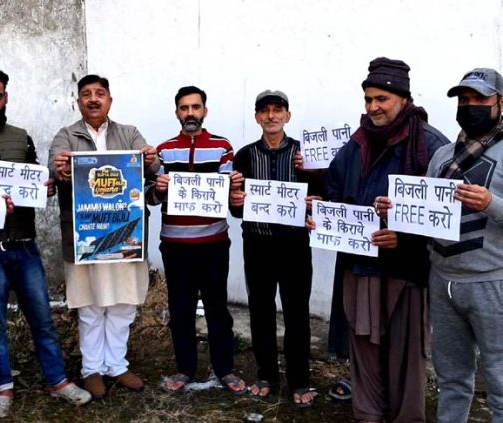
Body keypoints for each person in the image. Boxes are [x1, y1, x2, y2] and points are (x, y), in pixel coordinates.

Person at [0, 66, 90, 417]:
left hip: (25, 244)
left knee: (42, 318)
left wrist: (47, 187)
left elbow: (37, 177)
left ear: (6, 97)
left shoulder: (21, 137)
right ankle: (2, 389)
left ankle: (58, 381)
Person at [321, 58, 449, 422]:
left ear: (403, 99)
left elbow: (441, 215)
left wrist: (404, 237)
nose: (373, 107)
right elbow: (334, 187)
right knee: (362, 348)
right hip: (359, 266)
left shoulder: (430, 146)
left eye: (382, 99)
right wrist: (322, 208)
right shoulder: (356, 143)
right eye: (368, 99)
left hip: (404, 271)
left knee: (405, 355)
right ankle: (368, 415)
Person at [49, 74, 159, 399]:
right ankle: (92, 369)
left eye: (100, 93)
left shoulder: (129, 133)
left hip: (127, 237)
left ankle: (117, 365)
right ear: (78, 101)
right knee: (91, 306)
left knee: (124, 304)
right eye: (86, 94)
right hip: (87, 238)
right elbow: (57, 170)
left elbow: (151, 170)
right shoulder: (67, 135)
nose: (93, 99)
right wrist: (61, 169)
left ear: (110, 100)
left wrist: (151, 161)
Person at [146, 86, 246, 394]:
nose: (190, 113)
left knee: (217, 308)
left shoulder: (222, 148)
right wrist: (158, 189)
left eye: (196, 107)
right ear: (177, 112)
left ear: (205, 110)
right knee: (181, 309)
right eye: (184, 108)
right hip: (175, 245)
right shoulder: (162, 151)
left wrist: (236, 189)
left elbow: (232, 201)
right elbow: (150, 196)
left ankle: (225, 369)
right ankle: (185, 368)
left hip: (214, 244)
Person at [229, 90, 321, 407]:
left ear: (287, 115)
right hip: (257, 245)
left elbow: (321, 198)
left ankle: (299, 380)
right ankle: (267, 374)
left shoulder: (305, 155)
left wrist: (316, 203)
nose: (271, 116)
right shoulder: (243, 156)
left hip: (295, 246)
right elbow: (237, 209)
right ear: (256, 117)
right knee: (261, 312)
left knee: (296, 314)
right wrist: (235, 201)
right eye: (264, 111)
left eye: (277, 110)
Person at [426, 68, 503, 422]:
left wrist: (491, 202)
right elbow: (424, 213)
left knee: (500, 382)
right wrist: (395, 211)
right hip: (443, 281)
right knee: (452, 378)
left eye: (479, 99)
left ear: (500, 103)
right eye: (464, 99)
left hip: (492, 282)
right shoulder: (442, 156)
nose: (470, 106)